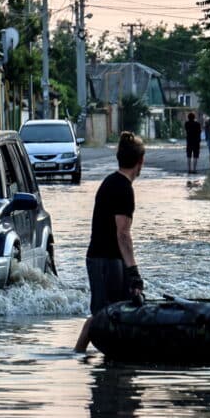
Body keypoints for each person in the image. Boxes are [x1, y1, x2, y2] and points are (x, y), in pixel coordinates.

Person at [74, 132, 146, 352]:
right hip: (104, 259)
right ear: (140, 162)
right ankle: (77, 354)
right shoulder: (123, 188)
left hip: (108, 258)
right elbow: (123, 233)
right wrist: (134, 271)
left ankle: (114, 360)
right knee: (102, 315)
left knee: (119, 310)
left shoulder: (112, 182)